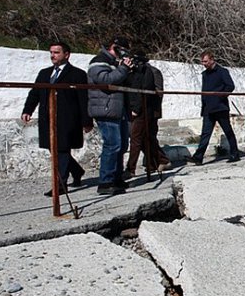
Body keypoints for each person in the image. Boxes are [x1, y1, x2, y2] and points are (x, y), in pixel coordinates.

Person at [21, 42, 92, 196]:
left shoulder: (77, 74)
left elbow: (83, 99)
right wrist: (27, 110)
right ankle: (76, 170)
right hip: (47, 118)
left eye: (56, 52)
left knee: (62, 149)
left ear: (66, 54)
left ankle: (60, 185)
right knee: (53, 149)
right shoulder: (44, 73)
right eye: (51, 52)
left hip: (67, 120)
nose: (53, 56)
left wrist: (86, 121)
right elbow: (35, 93)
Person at [88, 36, 134, 194]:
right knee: (112, 145)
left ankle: (117, 178)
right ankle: (105, 182)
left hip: (118, 109)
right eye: (123, 50)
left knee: (121, 146)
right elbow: (105, 80)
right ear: (115, 48)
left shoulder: (116, 64)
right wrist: (123, 69)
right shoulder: (99, 61)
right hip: (105, 109)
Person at [189, 51, 240, 165]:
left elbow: (230, 86)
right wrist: (203, 107)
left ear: (212, 59)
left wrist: (219, 96)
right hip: (208, 109)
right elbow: (204, 91)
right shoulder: (204, 74)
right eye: (202, 62)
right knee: (205, 133)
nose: (204, 64)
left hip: (220, 107)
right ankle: (198, 157)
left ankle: (234, 153)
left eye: (206, 61)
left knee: (228, 131)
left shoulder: (222, 71)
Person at [124, 52, 170, 178]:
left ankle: (136, 167)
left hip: (149, 111)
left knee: (144, 138)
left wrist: (146, 109)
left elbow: (157, 92)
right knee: (145, 139)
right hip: (140, 110)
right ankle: (157, 161)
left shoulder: (152, 72)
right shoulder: (133, 72)